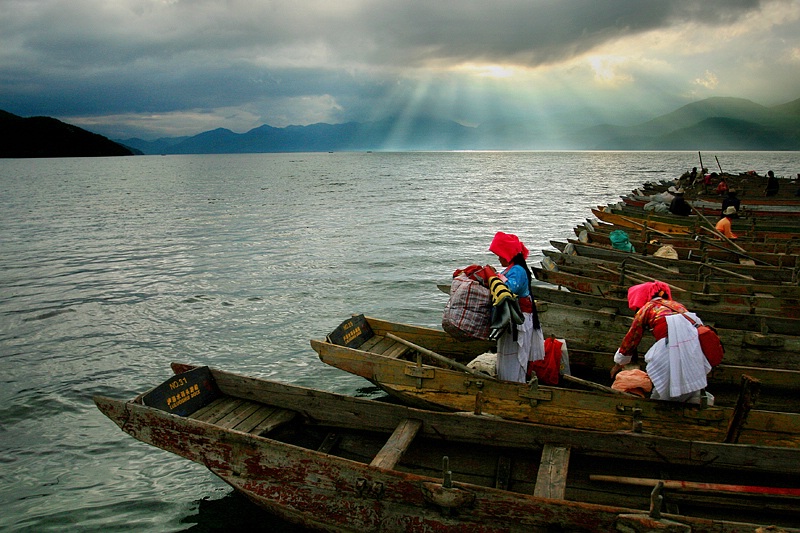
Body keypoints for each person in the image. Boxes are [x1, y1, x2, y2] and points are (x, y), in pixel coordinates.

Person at [610, 281, 711, 403]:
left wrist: (618, 363)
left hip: (671, 345)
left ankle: (659, 407)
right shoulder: (677, 306)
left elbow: (632, 337)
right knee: (688, 377)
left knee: (666, 378)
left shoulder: (647, 308)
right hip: (693, 346)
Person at [488, 231, 545, 383]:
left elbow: (507, 290)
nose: (498, 258)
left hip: (519, 322)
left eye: (500, 254)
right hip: (512, 321)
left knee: (515, 359)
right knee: (507, 356)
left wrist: (491, 277)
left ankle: (515, 384)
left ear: (507, 254)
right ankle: (507, 381)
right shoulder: (511, 269)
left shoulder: (518, 271)